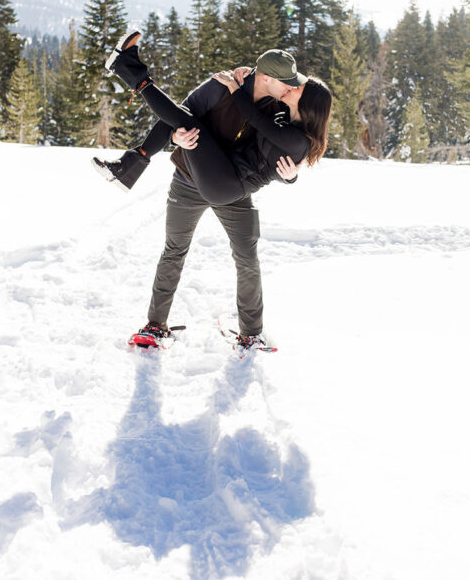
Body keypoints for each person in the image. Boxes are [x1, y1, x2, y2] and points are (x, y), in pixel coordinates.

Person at [98, 31, 332, 354]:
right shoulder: (228, 87)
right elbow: (181, 112)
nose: (291, 88)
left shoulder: (275, 112)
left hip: (231, 189)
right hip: (190, 177)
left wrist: (291, 177)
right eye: (288, 83)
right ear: (265, 77)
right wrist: (175, 139)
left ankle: (252, 333)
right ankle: (154, 325)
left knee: (247, 257)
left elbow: (279, 149)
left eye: (295, 87)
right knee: (174, 249)